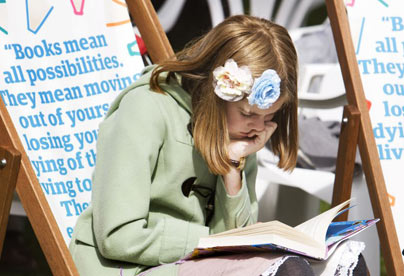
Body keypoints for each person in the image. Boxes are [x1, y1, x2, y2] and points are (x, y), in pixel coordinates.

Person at [69, 15, 366, 275]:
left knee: (343, 262)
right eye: (249, 114)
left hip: (197, 262)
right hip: (130, 268)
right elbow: (118, 236)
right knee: (285, 269)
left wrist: (232, 172)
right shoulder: (144, 110)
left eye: (269, 117)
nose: (259, 128)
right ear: (216, 94)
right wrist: (207, 240)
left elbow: (235, 241)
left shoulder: (238, 133)